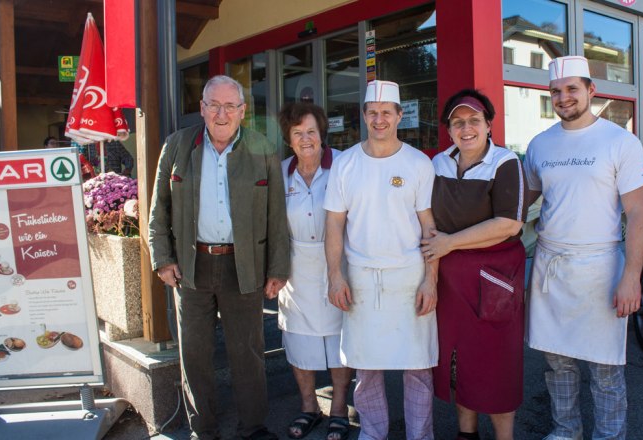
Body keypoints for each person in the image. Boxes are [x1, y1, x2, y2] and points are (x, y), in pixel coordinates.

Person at [148, 75, 290, 440]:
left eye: (230, 106)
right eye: (214, 104)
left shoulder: (262, 148)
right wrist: (162, 259)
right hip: (191, 265)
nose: (222, 113)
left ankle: (253, 427)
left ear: (243, 111)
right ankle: (203, 429)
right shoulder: (177, 146)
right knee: (194, 354)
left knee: (248, 352)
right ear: (202, 108)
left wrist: (277, 268)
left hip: (244, 266)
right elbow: (158, 211)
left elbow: (277, 214)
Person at [524, 56, 643, 440]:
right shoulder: (540, 144)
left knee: (605, 369)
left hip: (602, 268)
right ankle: (567, 431)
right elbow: (521, 206)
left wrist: (631, 277)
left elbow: (639, 215)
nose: (564, 98)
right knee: (557, 363)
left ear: (591, 91)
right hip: (552, 266)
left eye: (572, 89)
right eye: (556, 91)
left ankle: (610, 436)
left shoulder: (620, 142)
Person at [324, 80, 438, 440]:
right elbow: (334, 225)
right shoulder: (345, 164)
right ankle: (372, 434)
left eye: (386, 112)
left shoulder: (419, 163)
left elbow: (429, 229)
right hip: (360, 279)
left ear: (399, 116)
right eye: (372, 112)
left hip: (409, 279)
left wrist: (430, 280)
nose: (379, 119)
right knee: (367, 369)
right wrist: (334, 276)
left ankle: (420, 436)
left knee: (417, 368)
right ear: (363, 115)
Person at [422, 89, 528, 440]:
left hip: (495, 280)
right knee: (458, 362)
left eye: (474, 121)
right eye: (457, 122)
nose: (466, 128)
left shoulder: (505, 162)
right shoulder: (437, 164)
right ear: (449, 130)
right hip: (452, 282)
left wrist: (449, 242)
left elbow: (509, 224)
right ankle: (466, 433)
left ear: (488, 125)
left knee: (497, 364)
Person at [275, 102, 353, 440]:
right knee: (299, 342)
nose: (305, 139)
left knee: (339, 342)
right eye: (297, 133)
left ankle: (338, 409)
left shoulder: (343, 167)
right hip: (296, 271)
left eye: (311, 131)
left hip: (338, 266)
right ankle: (309, 407)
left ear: (322, 134)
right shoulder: (280, 173)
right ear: (288, 139)